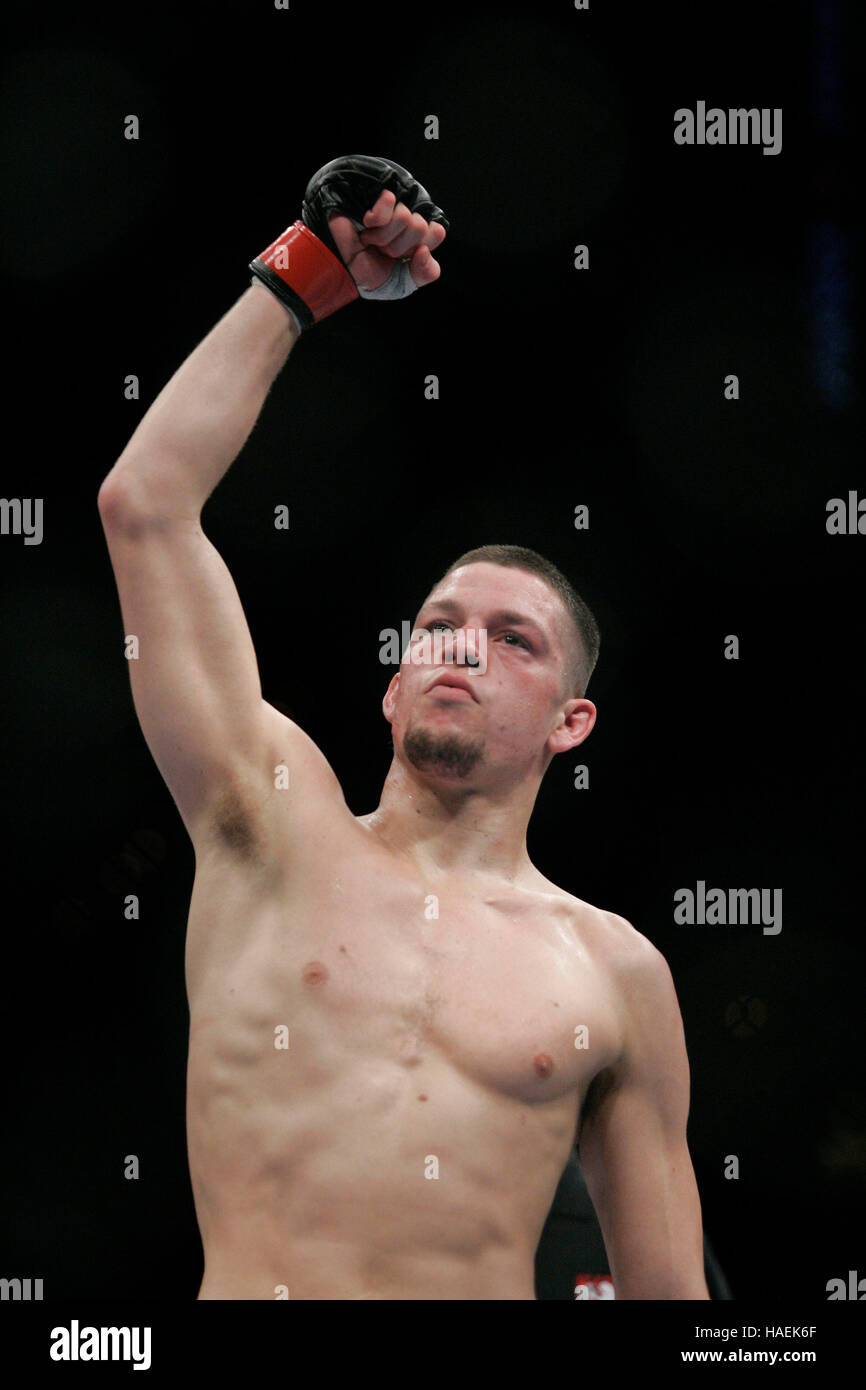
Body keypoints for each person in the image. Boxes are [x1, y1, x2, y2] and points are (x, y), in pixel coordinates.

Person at [97, 156, 709, 1300]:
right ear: (390, 684)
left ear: (570, 723)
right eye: (436, 626)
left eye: (512, 640)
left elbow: (671, 1305)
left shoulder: (616, 969)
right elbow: (144, 507)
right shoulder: (268, 823)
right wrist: (301, 275)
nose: (463, 648)